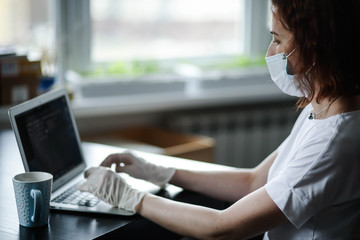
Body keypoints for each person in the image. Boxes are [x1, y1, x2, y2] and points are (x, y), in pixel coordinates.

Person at [77, 0, 360, 239]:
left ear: (316, 45)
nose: (270, 53)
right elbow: (254, 181)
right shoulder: (323, 106)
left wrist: (131, 198)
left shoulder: (333, 141)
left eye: (277, 39)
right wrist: (160, 172)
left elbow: (222, 228)